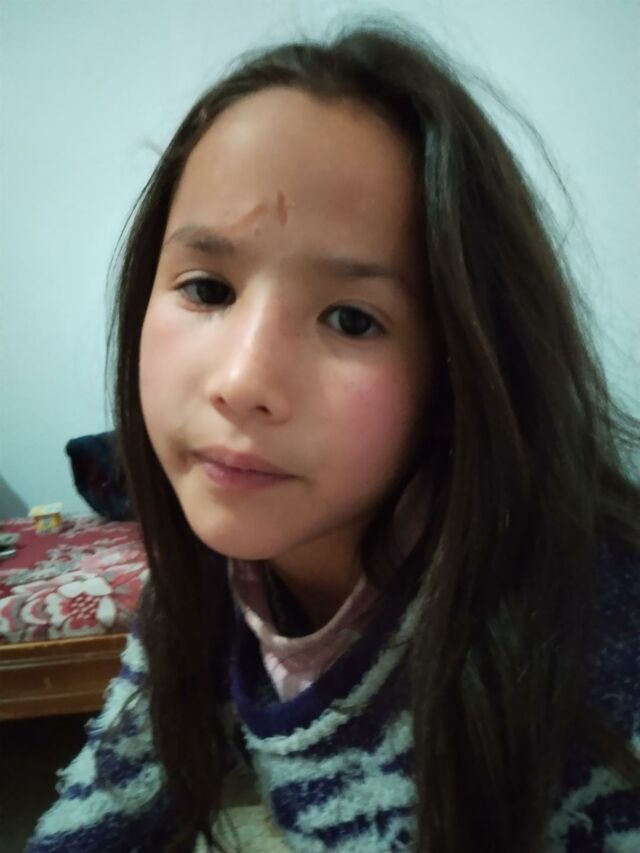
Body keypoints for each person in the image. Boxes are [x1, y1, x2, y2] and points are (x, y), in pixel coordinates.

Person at [27, 17, 640, 853]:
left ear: (457, 373)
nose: (243, 381)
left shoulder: (593, 645)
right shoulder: (201, 582)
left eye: (351, 318)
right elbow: (106, 804)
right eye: (207, 289)